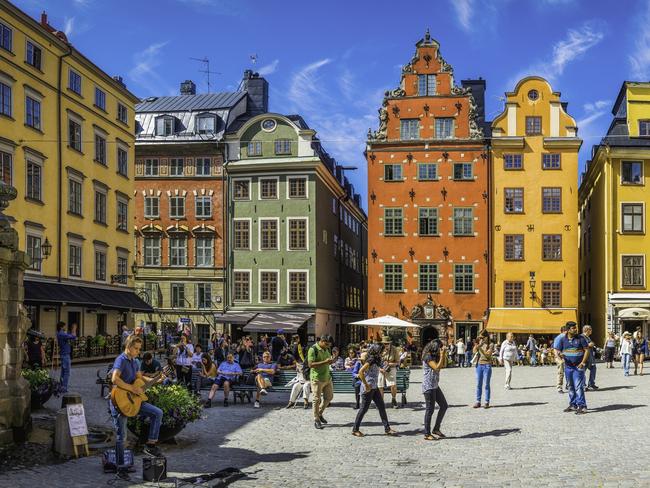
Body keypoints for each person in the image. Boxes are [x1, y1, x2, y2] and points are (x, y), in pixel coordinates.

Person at [109, 335, 164, 481]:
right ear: (128, 346)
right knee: (122, 437)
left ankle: (150, 445)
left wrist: (156, 379)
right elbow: (114, 379)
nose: (138, 352)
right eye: (136, 349)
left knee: (157, 413)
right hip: (120, 402)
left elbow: (140, 378)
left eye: (139, 349)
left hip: (135, 402)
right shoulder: (121, 359)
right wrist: (132, 389)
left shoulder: (135, 361)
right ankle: (120, 469)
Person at [352, 346, 398, 437]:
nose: (383, 352)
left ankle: (387, 429)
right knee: (363, 409)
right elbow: (361, 372)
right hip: (368, 388)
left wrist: (386, 366)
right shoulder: (371, 360)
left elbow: (385, 368)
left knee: (381, 407)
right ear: (377, 351)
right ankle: (355, 429)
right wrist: (366, 384)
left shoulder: (377, 359)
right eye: (382, 350)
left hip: (374, 387)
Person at [555, 321, 590, 414]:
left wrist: (583, 362)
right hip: (568, 367)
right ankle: (573, 404)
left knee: (578, 386)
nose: (576, 329)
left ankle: (582, 406)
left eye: (575, 327)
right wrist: (560, 356)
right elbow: (558, 350)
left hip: (578, 366)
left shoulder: (581, 338)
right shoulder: (563, 339)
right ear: (568, 330)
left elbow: (587, 350)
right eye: (573, 328)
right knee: (570, 386)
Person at [308, 335, 337, 429]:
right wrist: (325, 362)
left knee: (329, 397)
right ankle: (316, 419)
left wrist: (332, 360)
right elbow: (310, 364)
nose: (328, 346)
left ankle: (319, 413)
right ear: (323, 341)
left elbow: (328, 361)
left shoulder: (326, 349)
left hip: (327, 378)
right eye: (327, 344)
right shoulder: (313, 349)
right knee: (316, 399)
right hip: (317, 378)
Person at [422, 339, 448, 441]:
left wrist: (443, 355)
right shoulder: (427, 357)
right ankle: (427, 433)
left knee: (444, 406)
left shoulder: (434, 356)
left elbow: (443, 365)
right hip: (428, 386)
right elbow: (436, 368)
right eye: (440, 347)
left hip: (435, 386)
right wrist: (442, 355)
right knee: (430, 410)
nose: (441, 349)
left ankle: (436, 429)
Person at [379, 336, 401, 409]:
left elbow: (398, 362)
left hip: (391, 368)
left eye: (387, 343)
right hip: (381, 369)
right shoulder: (379, 350)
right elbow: (376, 361)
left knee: (393, 385)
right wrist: (380, 369)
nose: (386, 345)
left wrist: (389, 364)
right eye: (384, 344)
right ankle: (381, 402)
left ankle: (393, 399)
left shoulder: (394, 350)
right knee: (380, 386)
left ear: (390, 343)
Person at [473, 331, 492, 408]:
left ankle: (487, 402)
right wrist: (479, 345)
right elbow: (474, 352)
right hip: (479, 365)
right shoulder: (479, 344)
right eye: (479, 337)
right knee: (478, 384)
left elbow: (487, 355)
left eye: (482, 337)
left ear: (486, 337)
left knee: (486, 384)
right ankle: (478, 401)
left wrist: (480, 348)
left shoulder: (490, 345)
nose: (480, 339)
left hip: (487, 365)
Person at [56, 321, 77, 392]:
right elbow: (73, 337)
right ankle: (64, 387)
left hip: (64, 354)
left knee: (63, 372)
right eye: (64, 326)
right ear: (61, 327)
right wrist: (74, 329)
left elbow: (71, 338)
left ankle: (61, 386)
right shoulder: (62, 334)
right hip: (65, 355)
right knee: (66, 372)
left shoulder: (60, 333)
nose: (65, 327)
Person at [582, 325, 598, 390]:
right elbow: (581, 345)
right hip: (584, 357)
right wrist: (589, 344)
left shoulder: (588, 337)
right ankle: (583, 385)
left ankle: (591, 384)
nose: (591, 331)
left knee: (593, 369)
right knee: (582, 372)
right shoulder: (581, 337)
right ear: (587, 330)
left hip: (590, 357)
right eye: (590, 329)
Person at [553, 325, 568, 393]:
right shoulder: (559, 337)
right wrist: (559, 359)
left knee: (568, 372)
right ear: (564, 331)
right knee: (561, 372)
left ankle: (568, 385)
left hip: (565, 357)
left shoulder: (566, 337)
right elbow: (555, 349)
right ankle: (559, 387)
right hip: (560, 358)